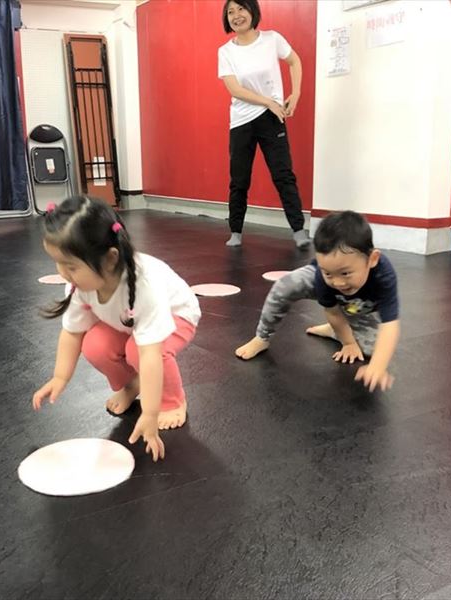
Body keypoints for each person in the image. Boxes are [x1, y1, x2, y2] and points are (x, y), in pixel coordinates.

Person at [32, 195, 201, 461]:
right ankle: (131, 385)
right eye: (58, 263)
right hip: (127, 321)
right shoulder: (79, 284)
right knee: (94, 345)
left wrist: (150, 414)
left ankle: (173, 401)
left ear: (110, 259)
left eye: (71, 266)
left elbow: (150, 354)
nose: (63, 273)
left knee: (138, 351)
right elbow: (72, 333)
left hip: (177, 315)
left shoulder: (145, 286)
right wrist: (60, 377)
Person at [235, 211, 400, 392]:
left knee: (373, 349)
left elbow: (390, 324)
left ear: (373, 259)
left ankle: (333, 331)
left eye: (345, 273)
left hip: (359, 305)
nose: (337, 282)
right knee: (285, 286)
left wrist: (378, 366)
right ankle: (262, 337)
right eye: (329, 272)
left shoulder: (384, 276)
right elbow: (333, 311)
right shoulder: (324, 277)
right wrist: (348, 343)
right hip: (321, 286)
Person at [218, 0, 310, 249]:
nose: (236, 15)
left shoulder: (272, 39)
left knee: (283, 175)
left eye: (241, 9)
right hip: (241, 121)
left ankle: (299, 231)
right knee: (239, 180)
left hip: (271, 118)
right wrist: (268, 101)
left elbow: (294, 61)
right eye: (230, 12)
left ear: (252, 11)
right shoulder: (225, 51)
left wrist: (296, 93)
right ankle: (235, 231)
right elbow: (234, 89)